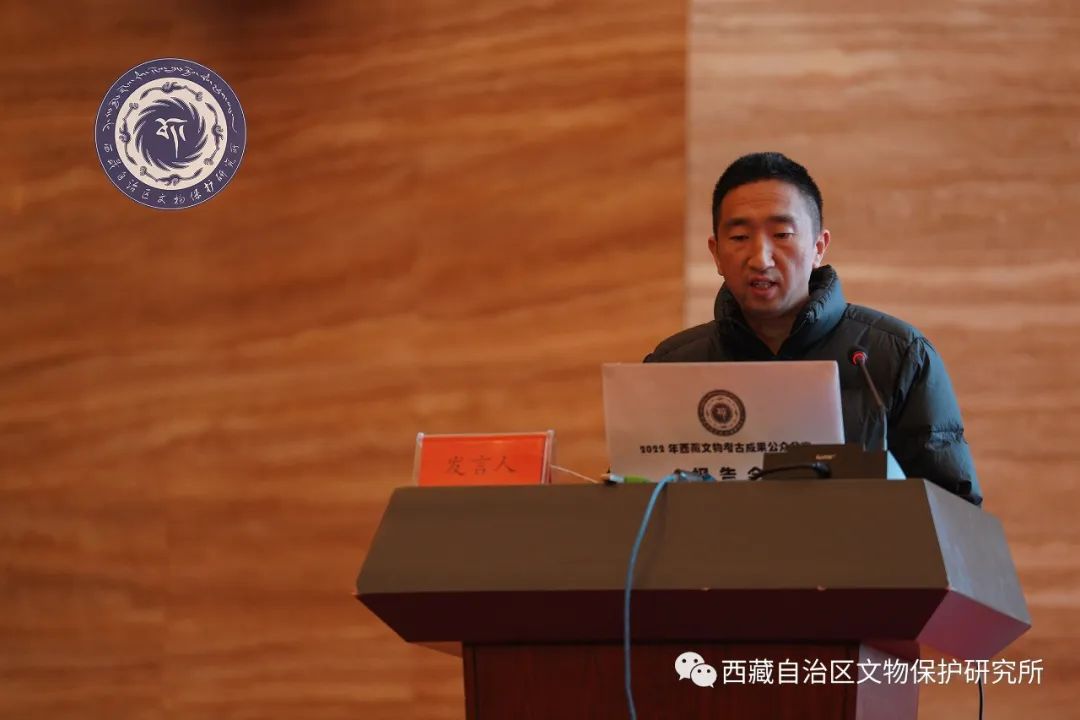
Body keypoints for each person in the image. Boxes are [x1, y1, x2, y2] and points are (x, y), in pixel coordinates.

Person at [645, 152, 982, 505]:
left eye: (782, 234)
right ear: (716, 253)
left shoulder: (896, 356)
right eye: (740, 236)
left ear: (818, 247)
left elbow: (953, 509)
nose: (760, 258)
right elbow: (637, 500)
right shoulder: (673, 366)